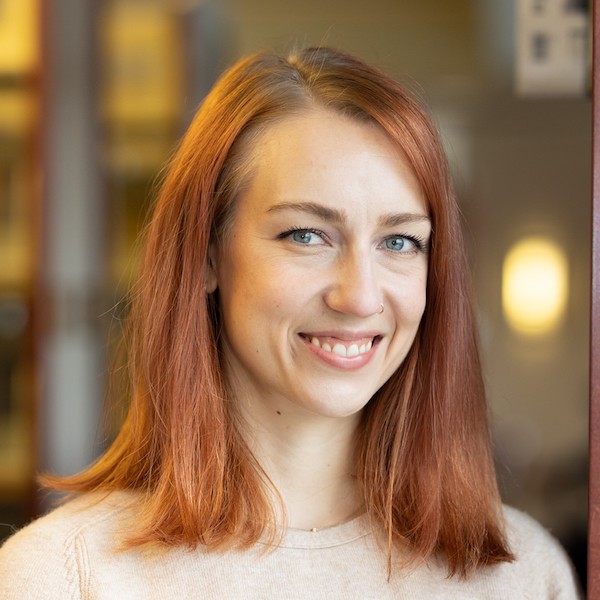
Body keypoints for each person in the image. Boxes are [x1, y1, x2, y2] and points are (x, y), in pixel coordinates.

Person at [0, 46, 580, 598]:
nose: (360, 296)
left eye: (400, 241)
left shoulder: (524, 575)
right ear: (205, 256)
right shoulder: (63, 577)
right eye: (306, 235)